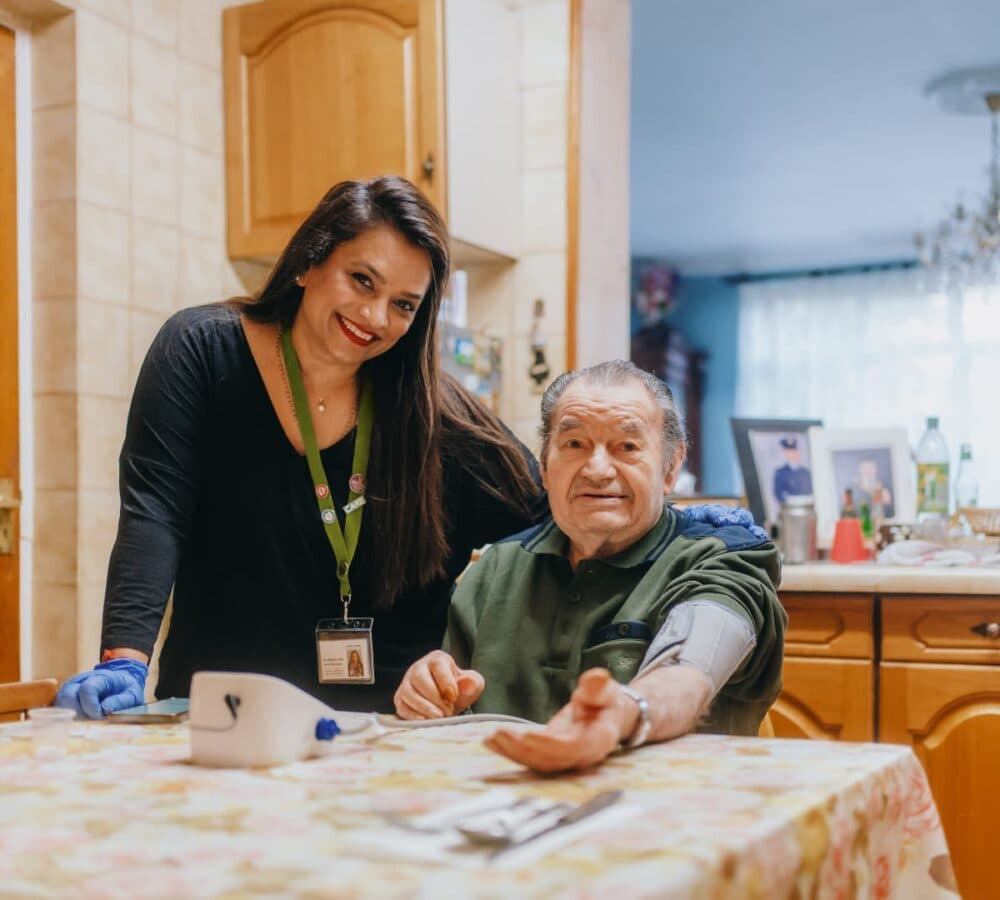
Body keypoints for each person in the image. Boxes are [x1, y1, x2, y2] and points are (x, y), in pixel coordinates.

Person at [56, 176, 544, 719]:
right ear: (308, 264)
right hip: (223, 717)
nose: (377, 317)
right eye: (362, 280)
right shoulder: (201, 351)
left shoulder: (437, 413)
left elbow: (548, 521)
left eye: (403, 305)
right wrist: (125, 660)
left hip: (389, 731)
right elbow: (155, 513)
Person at [394, 360, 785, 773]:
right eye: (575, 444)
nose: (598, 470)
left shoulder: (725, 556)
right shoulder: (496, 568)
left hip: (672, 816)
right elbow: (452, 709)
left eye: (627, 447)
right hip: (513, 818)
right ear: (544, 467)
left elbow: (690, 669)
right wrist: (428, 689)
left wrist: (626, 712)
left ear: (671, 468)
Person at [772, 435, 812, 505]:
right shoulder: (780, 472)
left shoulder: (806, 472)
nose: (792, 454)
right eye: (789, 452)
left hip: (807, 506)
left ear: (797, 452)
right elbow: (778, 493)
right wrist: (786, 503)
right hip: (790, 508)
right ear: (785, 454)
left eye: (794, 451)